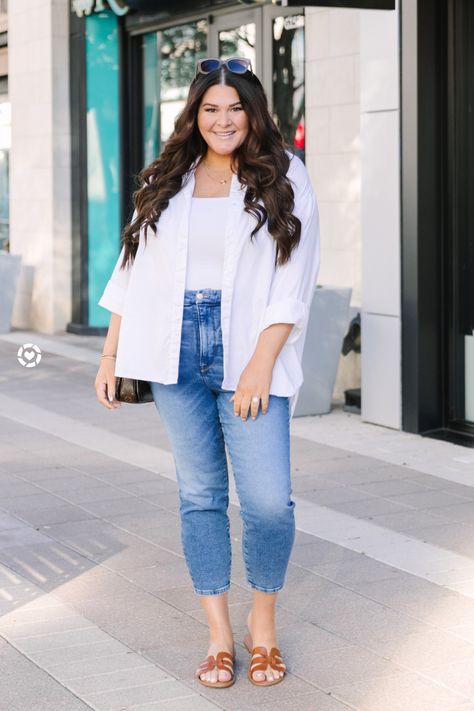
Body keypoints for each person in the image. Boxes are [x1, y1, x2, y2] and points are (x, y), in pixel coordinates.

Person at [95, 56, 320, 689]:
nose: (223, 120)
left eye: (235, 108)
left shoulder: (286, 176)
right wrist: (112, 354)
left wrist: (259, 365)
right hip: (171, 349)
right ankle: (220, 637)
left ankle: (263, 628)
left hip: (249, 346)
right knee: (200, 497)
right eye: (210, 108)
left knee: (269, 504)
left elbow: (293, 281)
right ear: (194, 115)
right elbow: (132, 267)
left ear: (253, 113)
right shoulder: (169, 178)